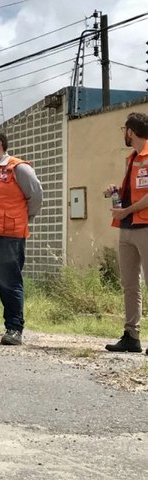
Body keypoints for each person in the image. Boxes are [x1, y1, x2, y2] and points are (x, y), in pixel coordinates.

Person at [0, 127, 42, 346]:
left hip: (10, 236)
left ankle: (14, 328)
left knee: (9, 284)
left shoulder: (17, 168)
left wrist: (22, 218)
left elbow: (35, 196)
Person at [105, 112, 148, 354]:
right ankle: (132, 335)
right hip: (128, 227)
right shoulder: (131, 159)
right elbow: (134, 191)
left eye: (125, 129)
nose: (124, 133)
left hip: (145, 226)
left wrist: (128, 210)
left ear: (130, 131)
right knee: (130, 284)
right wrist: (115, 190)